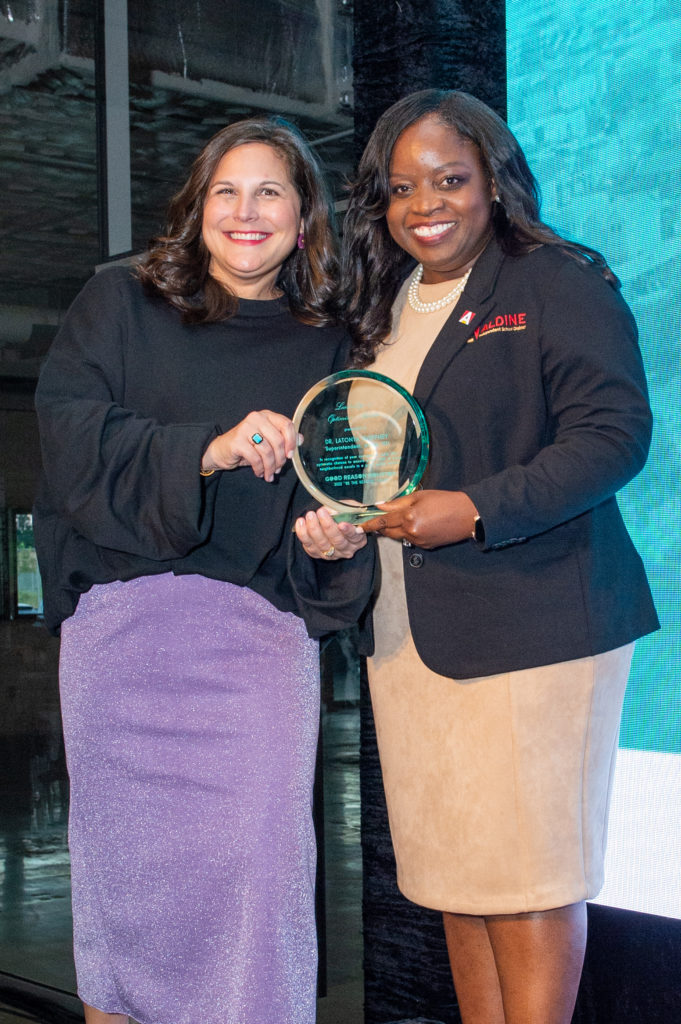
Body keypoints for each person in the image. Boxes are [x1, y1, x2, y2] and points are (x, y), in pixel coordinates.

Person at [33, 116, 372, 1024]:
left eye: (270, 191)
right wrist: (206, 451)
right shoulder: (119, 303)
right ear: (197, 208)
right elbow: (68, 438)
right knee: (124, 897)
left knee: (260, 887)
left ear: (304, 220)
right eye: (226, 190)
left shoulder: (330, 345)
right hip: (121, 645)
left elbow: (333, 497)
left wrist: (332, 540)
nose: (245, 210)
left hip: (257, 649)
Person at [339, 89, 659, 1024]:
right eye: (401, 188)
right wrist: (338, 520)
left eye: (449, 179)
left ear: (494, 180)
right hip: (408, 633)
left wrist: (475, 510)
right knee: (455, 876)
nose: (424, 204)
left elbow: (613, 435)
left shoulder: (554, 279)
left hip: (536, 620)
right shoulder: (385, 303)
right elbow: (369, 460)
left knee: (525, 877)